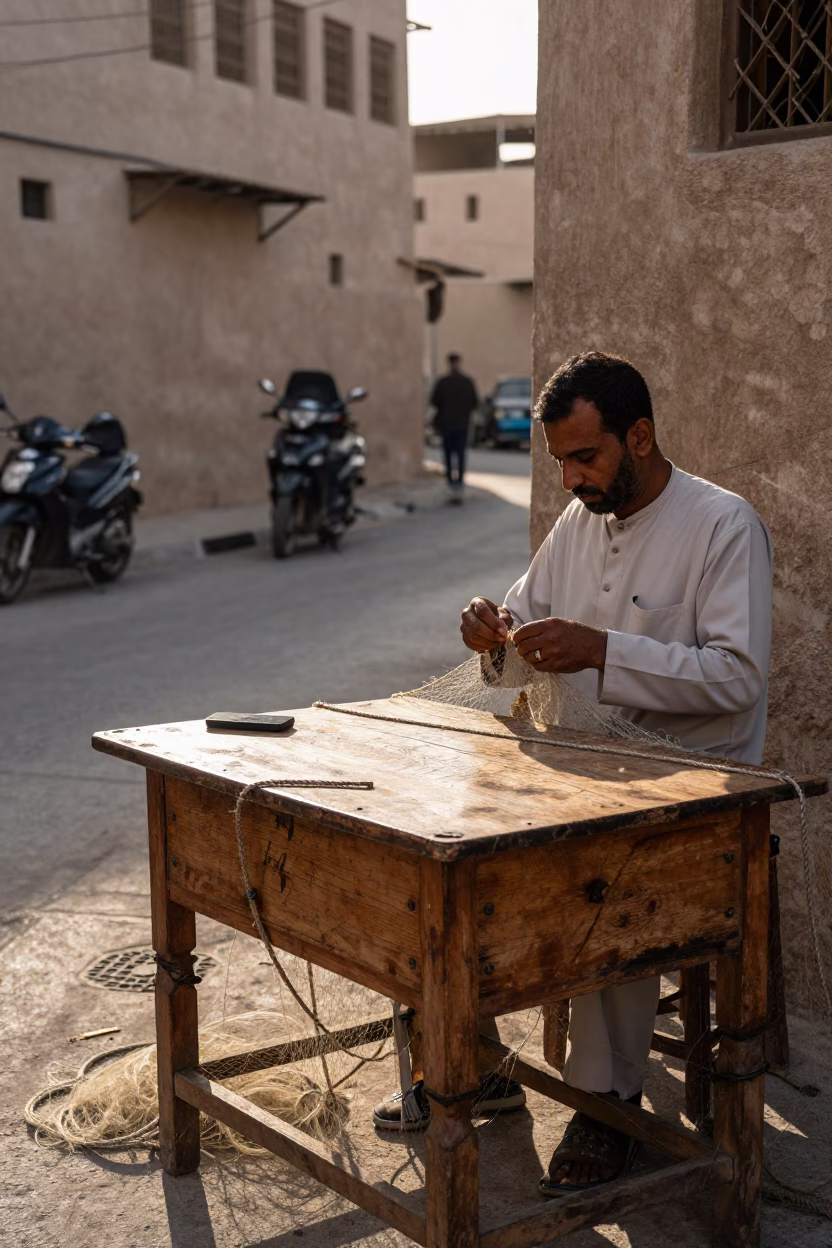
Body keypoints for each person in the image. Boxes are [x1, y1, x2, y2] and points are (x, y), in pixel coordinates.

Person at [376, 351, 773, 1200]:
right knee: (446, 844)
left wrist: (603, 648)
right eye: (559, 461)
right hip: (587, 760)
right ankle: (472, 1060)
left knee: (602, 879)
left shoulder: (722, 525)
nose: (570, 479)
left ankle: (605, 1101)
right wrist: (491, 637)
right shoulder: (581, 518)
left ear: (640, 436)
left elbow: (738, 679)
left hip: (695, 780)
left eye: (585, 458)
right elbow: (522, 651)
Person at [430, 352, 479, 501]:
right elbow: (474, 402)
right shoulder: (467, 382)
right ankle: (459, 482)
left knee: (448, 454)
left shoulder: (443, 382)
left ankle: (451, 481)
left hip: (447, 424)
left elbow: (434, 401)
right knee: (460, 454)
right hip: (462, 424)